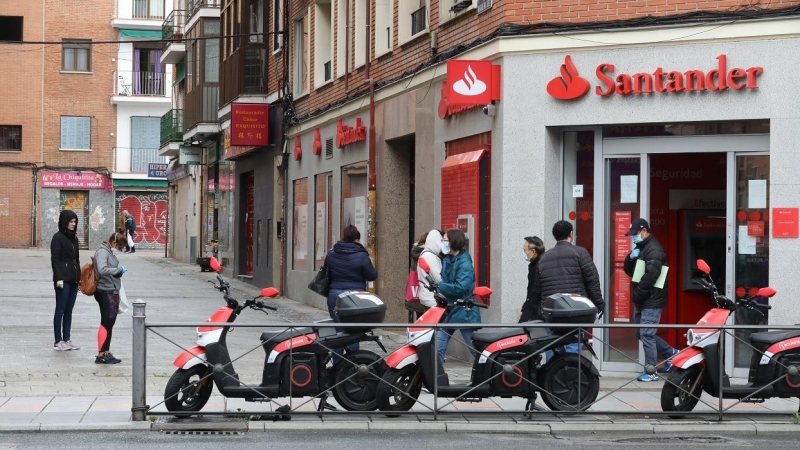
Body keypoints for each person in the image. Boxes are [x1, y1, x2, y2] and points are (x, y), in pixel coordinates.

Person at [532, 221, 604, 354]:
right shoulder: (580, 253)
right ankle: (573, 373)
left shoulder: (544, 258)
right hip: (574, 312)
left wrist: (541, 310)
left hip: (552, 313)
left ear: (555, 236)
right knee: (572, 346)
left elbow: (537, 289)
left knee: (552, 346)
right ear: (571, 234)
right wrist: (599, 304)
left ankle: (552, 374)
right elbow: (592, 281)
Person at [623, 218, 678, 382]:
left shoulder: (654, 250)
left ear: (644, 231)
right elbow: (629, 271)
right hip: (643, 299)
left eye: (635, 234)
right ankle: (670, 354)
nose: (633, 237)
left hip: (651, 299)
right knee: (642, 333)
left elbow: (651, 276)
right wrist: (630, 258)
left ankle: (651, 370)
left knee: (646, 333)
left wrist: (638, 294)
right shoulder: (641, 247)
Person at [325, 225, 378, 360]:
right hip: (355, 297)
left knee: (338, 332)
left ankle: (336, 367)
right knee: (353, 333)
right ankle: (351, 368)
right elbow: (372, 275)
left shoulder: (332, 254)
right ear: (356, 238)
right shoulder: (361, 255)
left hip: (335, 295)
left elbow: (327, 273)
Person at [436, 228, 480, 363]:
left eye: (445, 240)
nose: (442, 243)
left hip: (464, 311)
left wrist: (439, 286)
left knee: (476, 350)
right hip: (449, 309)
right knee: (438, 348)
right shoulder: (447, 259)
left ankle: (488, 374)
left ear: (453, 242)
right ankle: (436, 379)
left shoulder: (464, 263)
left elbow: (461, 287)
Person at [93, 232, 128, 364]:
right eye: (119, 247)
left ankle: (106, 351)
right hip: (104, 290)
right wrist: (117, 270)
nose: (120, 250)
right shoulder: (103, 252)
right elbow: (102, 269)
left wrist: (118, 273)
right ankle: (101, 354)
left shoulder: (110, 252)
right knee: (106, 321)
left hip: (112, 289)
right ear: (113, 243)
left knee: (110, 322)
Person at [50, 210, 82, 351]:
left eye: (75, 222)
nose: (73, 224)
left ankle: (67, 339)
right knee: (60, 310)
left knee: (69, 310)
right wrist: (58, 278)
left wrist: (79, 278)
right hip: (63, 279)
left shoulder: (74, 238)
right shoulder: (57, 238)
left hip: (73, 278)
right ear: (65, 222)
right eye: (71, 222)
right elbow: (55, 260)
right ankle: (58, 340)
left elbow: (77, 259)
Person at [519, 236, 545, 323]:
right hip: (532, 308)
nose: (524, 253)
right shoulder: (534, 264)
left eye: (525, 250)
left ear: (533, 251)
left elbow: (535, 290)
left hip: (537, 311)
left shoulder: (539, 266)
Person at [417, 229, 444, 309]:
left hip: (426, 296)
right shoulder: (430, 256)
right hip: (432, 298)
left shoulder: (424, 254)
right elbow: (439, 279)